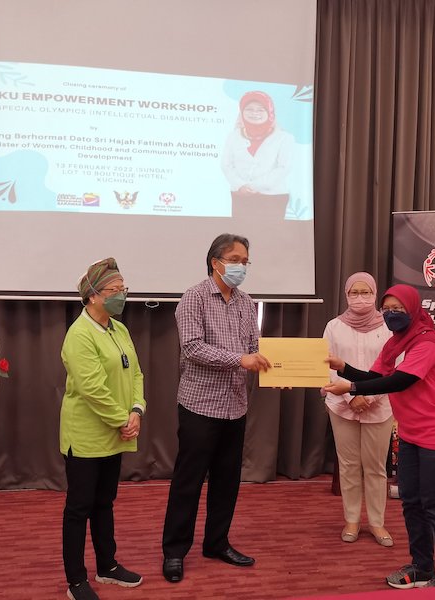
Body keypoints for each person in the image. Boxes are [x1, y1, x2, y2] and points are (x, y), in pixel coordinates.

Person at [325, 284, 435, 592]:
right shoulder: (396, 343)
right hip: (412, 433)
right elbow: (378, 377)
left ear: (414, 310)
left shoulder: (427, 343)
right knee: (411, 503)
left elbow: (401, 382)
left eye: (398, 310)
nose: (391, 315)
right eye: (387, 309)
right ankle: (421, 567)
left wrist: (349, 388)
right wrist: (344, 369)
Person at [161, 233, 271, 584]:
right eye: (236, 259)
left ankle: (217, 542)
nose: (242, 266)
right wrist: (240, 359)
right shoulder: (193, 298)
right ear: (215, 262)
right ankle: (175, 551)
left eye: (246, 261)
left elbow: (255, 347)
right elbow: (192, 347)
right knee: (188, 481)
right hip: (199, 405)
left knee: (227, 481)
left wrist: (275, 368)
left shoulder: (246, 302)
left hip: (235, 406)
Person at [60, 258, 145, 600]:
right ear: (93, 295)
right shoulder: (79, 335)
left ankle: (107, 565)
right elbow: (92, 388)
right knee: (79, 507)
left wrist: (137, 410)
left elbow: (136, 373)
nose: (121, 295)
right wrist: (122, 419)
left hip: (116, 432)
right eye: (114, 290)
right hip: (85, 436)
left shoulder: (119, 329)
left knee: (105, 502)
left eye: (124, 289)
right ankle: (76, 580)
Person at [322, 273, 394, 546]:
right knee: (349, 465)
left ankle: (377, 523)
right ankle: (352, 519)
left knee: (375, 467)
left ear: (375, 294)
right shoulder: (334, 326)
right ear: (346, 294)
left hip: (380, 405)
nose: (360, 298)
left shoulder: (389, 326)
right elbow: (326, 364)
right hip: (342, 405)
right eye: (354, 292)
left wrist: (369, 396)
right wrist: (352, 397)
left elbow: (396, 368)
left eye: (366, 292)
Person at [221, 91, 295, 220]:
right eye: (249, 109)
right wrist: (240, 185)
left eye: (260, 110)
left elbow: (284, 167)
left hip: (273, 197)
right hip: (240, 196)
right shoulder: (233, 136)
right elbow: (226, 164)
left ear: (270, 113)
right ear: (242, 112)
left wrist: (254, 186)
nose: (254, 113)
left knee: (269, 237)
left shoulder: (284, 137)